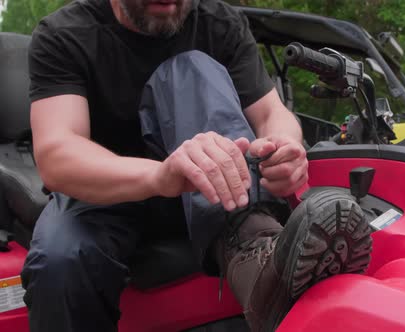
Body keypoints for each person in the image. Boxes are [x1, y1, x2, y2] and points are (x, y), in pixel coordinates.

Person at [20, 0, 373, 331]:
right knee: (60, 261)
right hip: (104, 194)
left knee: (190, 68)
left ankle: (256, 251)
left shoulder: (219, 23)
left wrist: (285, 147)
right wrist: (160, 176)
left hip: (212, 194)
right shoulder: (64, 34)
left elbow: (270, 113)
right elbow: (57, 153)